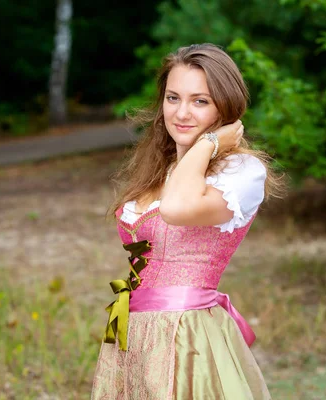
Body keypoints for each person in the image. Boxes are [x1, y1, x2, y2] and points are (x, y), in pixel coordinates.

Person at [91, 43, 279, 399]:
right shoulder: (160, 171)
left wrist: (209, 143)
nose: (182, 112)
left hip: (187, 334)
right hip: (131, 330)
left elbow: (175, 210)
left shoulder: (240, 171)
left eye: (200, 101)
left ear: (226, 107)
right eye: (173, 98)